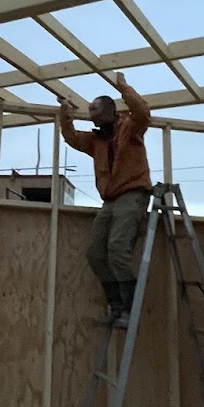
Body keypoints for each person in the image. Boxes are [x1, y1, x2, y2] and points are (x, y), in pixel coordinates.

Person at [58, 73, 153, 325]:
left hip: (132, 194)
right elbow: (72, 138)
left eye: (94, 109)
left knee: (118, 249)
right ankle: (117, 307)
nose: (90, 114)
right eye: (89, 110)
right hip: (110, 200)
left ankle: (130, 312)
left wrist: (123, 87)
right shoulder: (96, 140)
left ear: (110, 110)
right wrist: (65, 113)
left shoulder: (129, 128)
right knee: (95, 254)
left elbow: (143, 113)